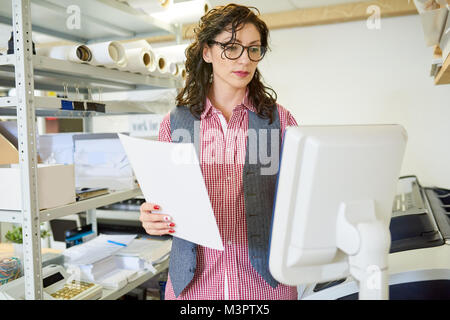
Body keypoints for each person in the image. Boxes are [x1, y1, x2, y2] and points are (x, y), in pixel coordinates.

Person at [139, 4, 298, 300]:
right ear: (207, 52)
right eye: (231, 47)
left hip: (265, 284)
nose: (244, 59)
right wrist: (152, 217)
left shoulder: (280, 121)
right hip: (193, 285)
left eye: (253, 49)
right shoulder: (174, 124)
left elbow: (299, 199)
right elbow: (162, 203)